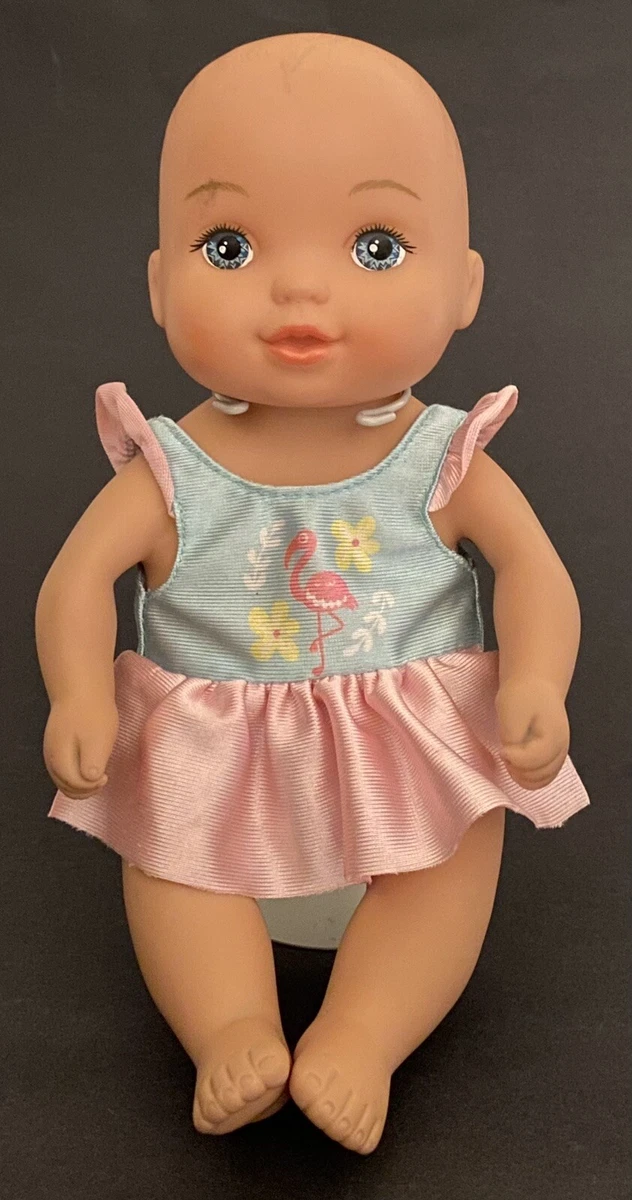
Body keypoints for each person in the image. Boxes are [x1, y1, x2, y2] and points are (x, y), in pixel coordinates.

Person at [36, 32, 589, 1155]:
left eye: (376, 247)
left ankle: (362, 1034)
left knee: (447, 862)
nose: (299, 286)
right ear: (159, 284)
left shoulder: (441, 458)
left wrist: (536, 679)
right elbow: (76, 579)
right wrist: (79, 694)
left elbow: (535, 571)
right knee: (170, 864)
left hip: (406, 743)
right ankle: (230, 1024)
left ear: (465, 284)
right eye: (230, 245)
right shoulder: (170, 469)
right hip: (212, 748)